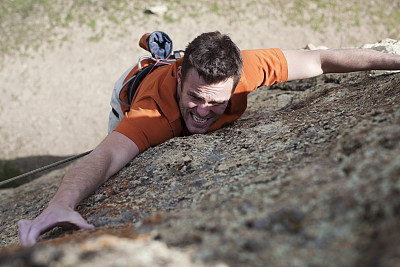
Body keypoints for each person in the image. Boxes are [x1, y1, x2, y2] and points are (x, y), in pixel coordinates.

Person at [18, 31, 400, 246]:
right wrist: (58, 205)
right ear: (181, 79)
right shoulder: (151, 115)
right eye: (195, 98)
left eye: (216, 102)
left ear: (237, 82)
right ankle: (159, 63)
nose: (202, 111)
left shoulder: (247, 68)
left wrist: (395, 61)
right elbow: (102, 159)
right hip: (130, 93)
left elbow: (321, 60)